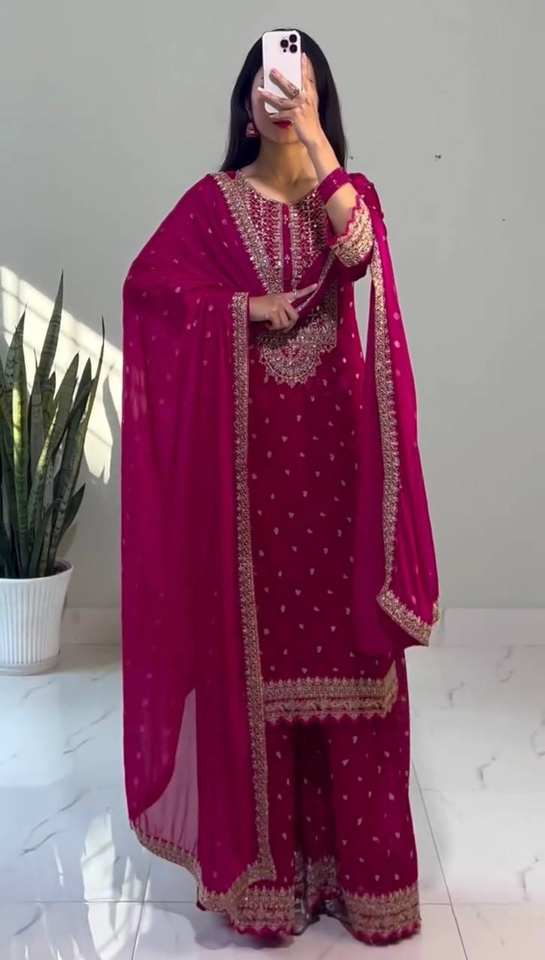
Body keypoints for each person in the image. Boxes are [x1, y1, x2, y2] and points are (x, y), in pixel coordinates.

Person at [121, 28, 440, 946]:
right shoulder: (212, 204)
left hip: (339, 471)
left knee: (350, 658)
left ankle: (362, 881)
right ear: (245, 102)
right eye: (269, 83)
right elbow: (149, 292)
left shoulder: (349, 194)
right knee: (258, 660)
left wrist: (318, 145)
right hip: (249, 477)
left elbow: (359, 254)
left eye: (299, 85)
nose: (282, 96)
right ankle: (273, 888)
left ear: (319, 98)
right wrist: (238, 310)